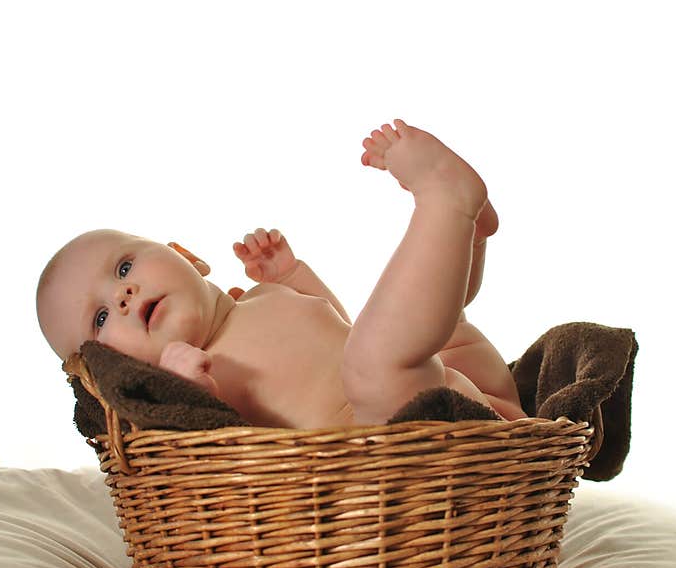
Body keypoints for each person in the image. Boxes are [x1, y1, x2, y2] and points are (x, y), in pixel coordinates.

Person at [36, 119, 526, 427]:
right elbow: (212, 441)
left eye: (123, 267)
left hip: (464, 393)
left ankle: (464, 236)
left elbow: (339, 325)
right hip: (383, 440)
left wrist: (292, 276)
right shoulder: (185, 378)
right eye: (100, 319)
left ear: (188, 256)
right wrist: (186, 392)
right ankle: (445, 204)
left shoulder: (259, 298)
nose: (121, 296)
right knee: (379, 360)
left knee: (428, 324)